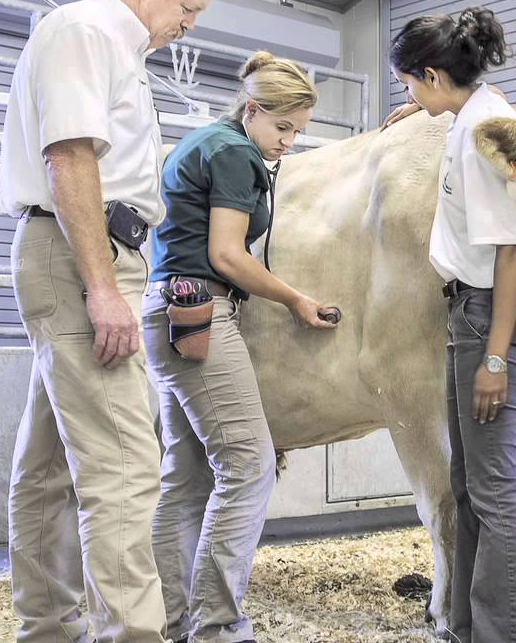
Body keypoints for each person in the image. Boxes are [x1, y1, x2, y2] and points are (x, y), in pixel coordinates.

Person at [0, 0, 219, 642]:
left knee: (51, 464)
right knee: (126, 464)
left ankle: (48, 628)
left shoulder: (114, 47)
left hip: (83, 250)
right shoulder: (87, 30)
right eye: (188, 8)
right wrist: (102, 286)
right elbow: (69, 158)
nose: (189, 25)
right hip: (81, 253)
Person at [143, 51, 337, 643]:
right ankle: (217, 626)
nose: (289, 143)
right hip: (201, 309)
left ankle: (170, 620)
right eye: (282, 128)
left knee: (187, 474)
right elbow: (229, 254)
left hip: (168, 309)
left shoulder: (206, 141)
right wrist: (297, 300)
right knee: (249, 466)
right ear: (252, 109)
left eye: (299, 132)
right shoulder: (235, 153)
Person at [389, 6, 516, 643]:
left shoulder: (486, 131)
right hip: (472, 312)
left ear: (432, 74)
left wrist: (494, 359)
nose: (406, 93)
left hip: (490, 318)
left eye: (408, 83)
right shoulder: (476, 114)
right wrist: (425, 113)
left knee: (491, 487)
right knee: (468, 481)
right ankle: (468, 627)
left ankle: (506, 634)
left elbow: (511, 252)